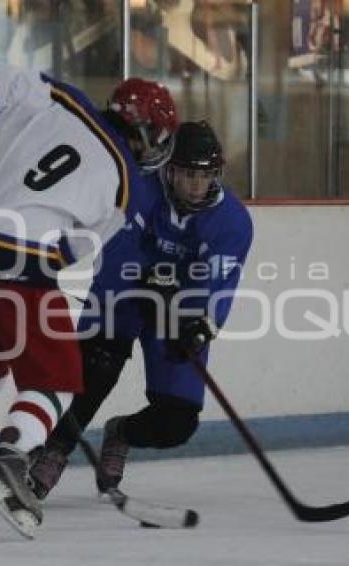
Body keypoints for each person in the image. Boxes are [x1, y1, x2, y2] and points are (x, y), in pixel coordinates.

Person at [0, 58, 178, 538]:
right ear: (146, 134)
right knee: (58, 379)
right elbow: (70, 253)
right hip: (18, 261)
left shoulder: (51, 95)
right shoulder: (126, 188)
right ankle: (12, 461)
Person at [27, 120, 253, 499]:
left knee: (177, 422)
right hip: (122, 297)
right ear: (170, 168)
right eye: (188, 175)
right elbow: (115, 260)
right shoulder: (139, 191)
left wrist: (200, 325)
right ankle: (53, 451)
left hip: (176, 307)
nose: (198, 186)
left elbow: (219, 284)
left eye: (207, 176)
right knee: (94, 371)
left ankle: (121, 433)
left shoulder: (232, 220)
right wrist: (146, 281)